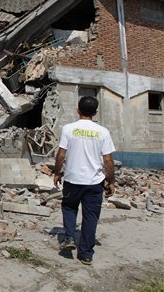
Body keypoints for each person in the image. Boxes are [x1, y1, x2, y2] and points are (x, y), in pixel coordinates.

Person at [53, 96, 115, 265]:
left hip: (72, 180)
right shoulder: (103, 132)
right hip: (94, 182)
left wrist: (57, 172)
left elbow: (61, 154)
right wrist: (111, 181)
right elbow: (108, 160)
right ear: (96, 112)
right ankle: (86, 254)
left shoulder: (68, 129)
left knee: (69, 207)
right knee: (91, 217)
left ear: (78, 110)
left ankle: (70, 237)